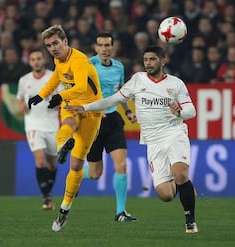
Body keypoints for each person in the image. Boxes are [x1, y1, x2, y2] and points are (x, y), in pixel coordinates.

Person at [65, 45, 199, 233]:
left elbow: (191, 111)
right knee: (166, 195)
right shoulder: (137, 80)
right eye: (146, 60)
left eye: (152, 59)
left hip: (174, 133)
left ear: (163, 60)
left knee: (180, 174)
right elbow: (112, 100)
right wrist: (86, 108)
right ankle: (184, 187)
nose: (148, 63)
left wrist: (180, 112)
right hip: (153, 142)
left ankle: (190, 222)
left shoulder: (176, 84)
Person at [27, 24, 103, 232]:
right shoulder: (59, 59)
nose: (52, 48)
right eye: (49, 45)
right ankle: (62, 146)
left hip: (91, 109)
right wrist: (41, 95)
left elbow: (79, 86)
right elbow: (56, 78)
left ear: (65, 42)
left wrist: (60, 96)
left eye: (55, 43)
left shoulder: (78, 60)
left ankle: (64, 209)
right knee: (68, 123)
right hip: (71, 105)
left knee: (77, 165)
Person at [84, 32, 138, 222]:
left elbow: (120, 92)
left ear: (112, 47)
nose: (104, 49)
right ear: (96, 48)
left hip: (113, 119)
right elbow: (78, 91)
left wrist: (128, 111)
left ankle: (120, 212)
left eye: (108, 45)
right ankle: (75, 172)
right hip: (93, 121)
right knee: (94, 173)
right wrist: (95, 108)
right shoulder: (88, 65)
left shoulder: (119, 66)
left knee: (121, 164)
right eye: (101, 45)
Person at [16, 48, 61, 210]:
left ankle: (47, 193)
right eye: (33, 59)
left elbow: (62, 97)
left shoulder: (53, 77)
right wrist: (21, 106)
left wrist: (57, 102)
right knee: (40, 160)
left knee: (52, 164)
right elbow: (20, 100)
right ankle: (46, 198)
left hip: (52, 125)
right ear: (30, 62)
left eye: (38, 58)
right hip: (33, 125)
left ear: (43, 60)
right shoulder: (24, 80)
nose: (36, 61)